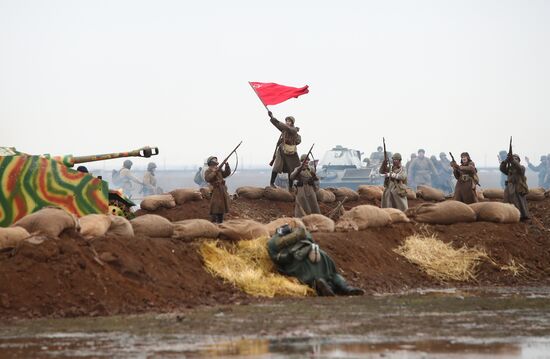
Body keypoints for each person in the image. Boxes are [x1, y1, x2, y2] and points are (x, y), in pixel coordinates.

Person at [267, 225, 364, 296]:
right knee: (332, 274)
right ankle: (346, 287)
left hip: (298, 261)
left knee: (309, 278)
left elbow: (278, 259)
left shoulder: (272, 242)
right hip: (318, 254)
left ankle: (319, 283)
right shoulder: (299, 231)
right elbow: (310, 239)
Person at [268, 111, 301, 190]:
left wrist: (277, 121)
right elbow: (277, 125)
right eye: (286, 121)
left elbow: (287, 127)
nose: (287, 122)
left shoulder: (293, 130)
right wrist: (272, 117)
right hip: (282, 151)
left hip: (291, 153)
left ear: (292, 123)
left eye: (289, 121)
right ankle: (272, 183)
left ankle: (290, 187)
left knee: (292, 170)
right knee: (276, 167)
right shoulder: (284, 129)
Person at [500, 153, 530, 221]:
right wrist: (506, 160)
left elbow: (518, 167)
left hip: (518, 188)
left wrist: (512, 160)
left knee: (518, 202)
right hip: (509, 187)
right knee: (507, 202)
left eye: (516, 159)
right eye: (513, 158)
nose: (514, 160)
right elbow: (502, 168)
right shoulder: (510, 169)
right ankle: (508, 215)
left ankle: (521, 216)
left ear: (519, 161)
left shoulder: (522, 168)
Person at [204, 156, 231, 223]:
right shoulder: (208, 171)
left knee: (222, 208)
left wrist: (227, 166)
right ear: (211, 163)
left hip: (222, 190)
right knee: (215, 207)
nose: (216, 163)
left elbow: (226, 174)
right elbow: (208, 179)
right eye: (214, 161)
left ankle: (220, 222)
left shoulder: (219, 169)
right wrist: (215, 172)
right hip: (215, 190)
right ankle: (214, 222)